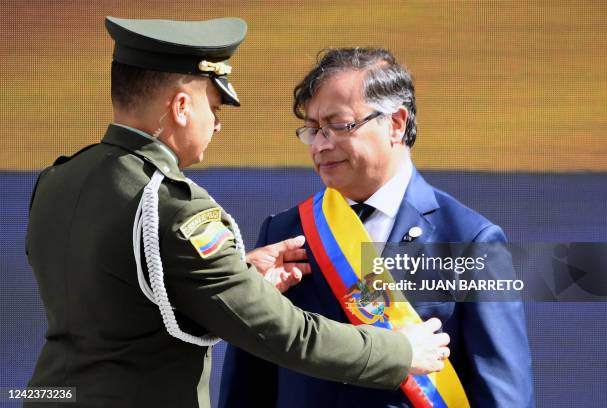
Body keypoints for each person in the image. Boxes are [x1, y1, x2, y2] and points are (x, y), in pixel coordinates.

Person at [25, 19, 450, 408]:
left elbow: (121, 295)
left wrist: (238, 272)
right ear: (180, 107)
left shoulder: (58, 179)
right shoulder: (174, 206)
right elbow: (286, 334)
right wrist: (400, 351)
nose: (217, 124)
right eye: (214, 106)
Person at [220, 48, 534, 407]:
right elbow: (248, 384)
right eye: (312, 130)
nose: (321, 145)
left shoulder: (469, 239)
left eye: (339, 125)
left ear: (396, 124)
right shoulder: (284, 233)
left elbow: (503, 393)